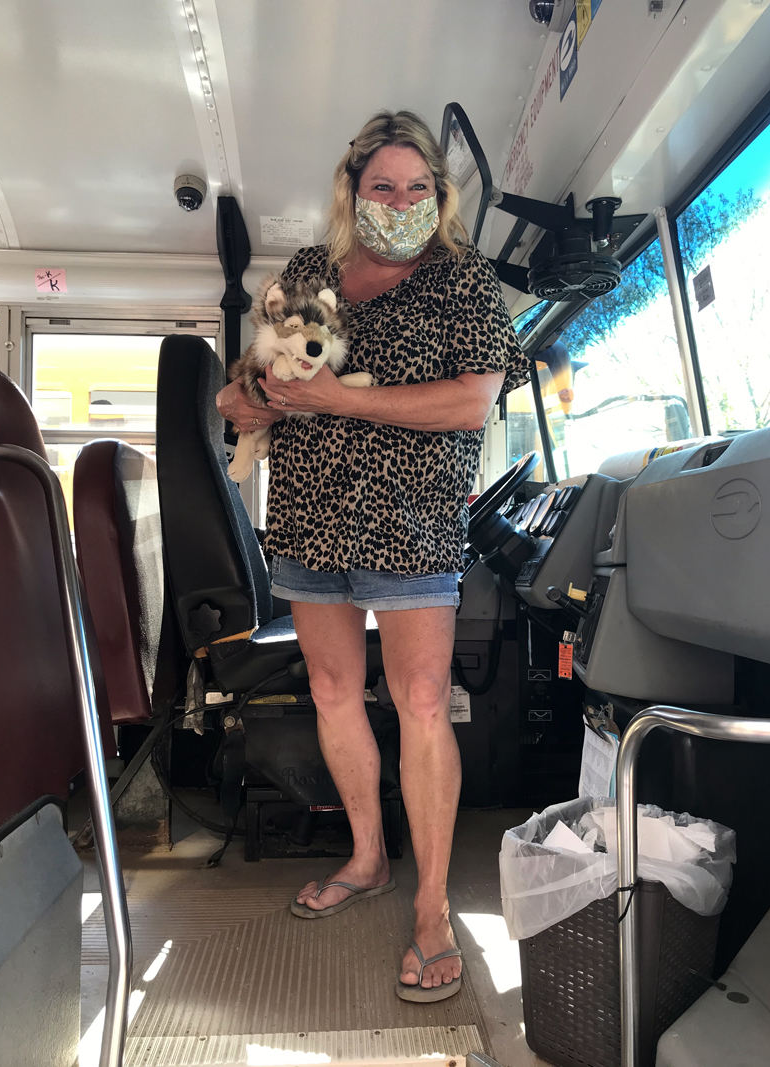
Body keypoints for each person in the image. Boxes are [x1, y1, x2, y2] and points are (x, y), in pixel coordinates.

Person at [216, 110, 530, 1001]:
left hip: (412, 520)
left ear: (440, 193)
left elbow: (472, 403)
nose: (399, 201)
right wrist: (251, 404)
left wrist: (340, 401)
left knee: (422, 699)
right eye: (382, 186)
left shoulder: (464, 281)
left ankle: (431, 909)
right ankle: (368, 858)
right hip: (311, 517)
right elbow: (260, 379)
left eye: (415, 187)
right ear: (355, 191)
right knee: (328, 689)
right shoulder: (311, 273)